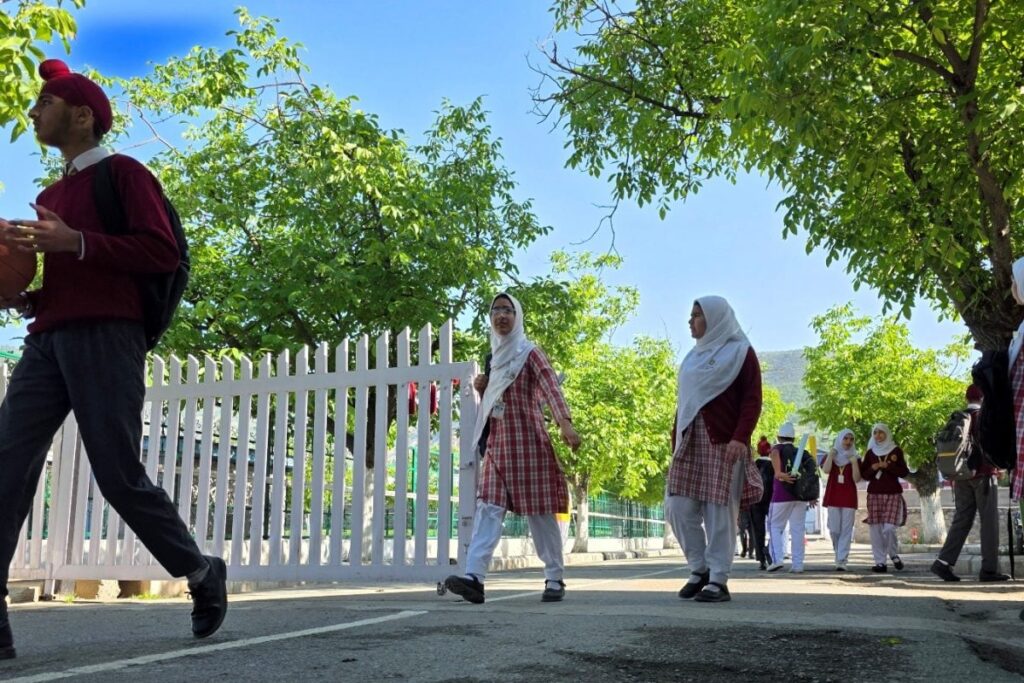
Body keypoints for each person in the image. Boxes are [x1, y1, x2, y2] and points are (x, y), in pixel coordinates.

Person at [0, 59, 226, 660]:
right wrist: (26, 293)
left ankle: (201, 572)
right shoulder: (50, 194)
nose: (33, 112)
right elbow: (72, 280)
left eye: (44, 103)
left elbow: (160, 251)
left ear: (82, 115)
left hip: (108, 338)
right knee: (5, 466)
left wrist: (74, 241)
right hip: (48, 339)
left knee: (118, 474)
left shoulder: (124, 174)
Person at [443, 293, 580, 604]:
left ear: (517, 316)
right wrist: (484, 387)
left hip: (529, 444)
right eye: (495, 310)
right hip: (498, 447)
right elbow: (496, 401)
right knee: (487, 509)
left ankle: (555, 577)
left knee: (541, 513)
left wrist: (565, 423)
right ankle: (474, 577)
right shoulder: (495, 357)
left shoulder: (530, 353)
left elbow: (550, 386)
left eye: (507, 310)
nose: (501, 315)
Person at [664, 296, 763, 603]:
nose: (691, 321)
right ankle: (699, 568)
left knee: (720, 512)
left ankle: (718, 579)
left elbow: (751, 400)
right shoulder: (692, 358)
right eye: (691, 316)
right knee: (677, 507)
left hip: (724, 442)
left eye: (697, 315)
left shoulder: (741, 353)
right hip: (690, 441)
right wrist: (675, 440)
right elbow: (684, 404)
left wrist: (740, 438)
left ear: (716, 318)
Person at [931, 385, 1009, 582]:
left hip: (961, 476)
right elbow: (989, 445)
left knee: (962, 520)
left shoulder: (959, 417)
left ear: (967, 398)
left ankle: (943, 563)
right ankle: (989, 570)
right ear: (983, 397)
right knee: (989, 522)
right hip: (983, 475)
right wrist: (997, 467)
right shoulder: (983, 416)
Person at [859, 423, 909, 573]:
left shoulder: (896, 451)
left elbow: (904, 472)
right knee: (875, 529)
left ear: (887, 433)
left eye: (881, 433)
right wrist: (873, 468)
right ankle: (880, 562)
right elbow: (864, 475)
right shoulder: (870, 453)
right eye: (875, 433)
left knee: (889, 528)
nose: (878, 436)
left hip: (893, 493)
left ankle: (893, 554)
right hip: (874, 493)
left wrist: (888, 467)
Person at [767, 422, 809, 573]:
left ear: (778, 436)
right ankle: (798, 564)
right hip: (800, 496)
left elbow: (774, 453)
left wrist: (778, 472)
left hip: (781, 495)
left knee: (774, 526)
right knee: (797, 529)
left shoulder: (777, 448)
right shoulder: (800, 451)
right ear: (794, 438)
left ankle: (777, 559)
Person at [821, 429, 861, 571]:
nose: (848, 442)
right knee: (834, 529)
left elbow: (857, 479)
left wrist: (854, 463)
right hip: (833, 495)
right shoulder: (831, 455)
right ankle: (838, 552)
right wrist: (831, 456)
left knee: (846, 530)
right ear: (840, 439)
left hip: (849, 497)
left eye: (851, 439)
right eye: (845, 438)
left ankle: (842, 559)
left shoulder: (856, 457)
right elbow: (826, 470)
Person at [751, 440, 774, 569]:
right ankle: (769, 550)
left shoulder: (754, 465)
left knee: (758, 530)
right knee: (775, 528)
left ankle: (761, 558)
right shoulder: (774, 466)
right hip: (772, 500)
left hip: (755, 502)